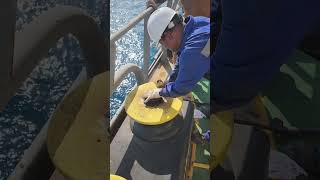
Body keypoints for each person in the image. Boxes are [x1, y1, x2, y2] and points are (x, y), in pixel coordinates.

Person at [143, 7, 210, 103]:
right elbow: (187, 59)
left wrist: (161, 92)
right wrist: (171, 80)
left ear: (169, 35)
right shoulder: (198, 22)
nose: (165, 47)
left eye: (162, 43)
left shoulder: (191, 52)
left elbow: (182, 87)